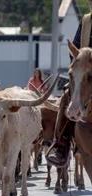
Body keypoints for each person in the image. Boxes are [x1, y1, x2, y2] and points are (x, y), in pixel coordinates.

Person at [45, 4, 92, 167]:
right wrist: (77, 63)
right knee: (66, 96)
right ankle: (61, 144)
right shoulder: (86, 21)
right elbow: (76, 45)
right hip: (86, 70)